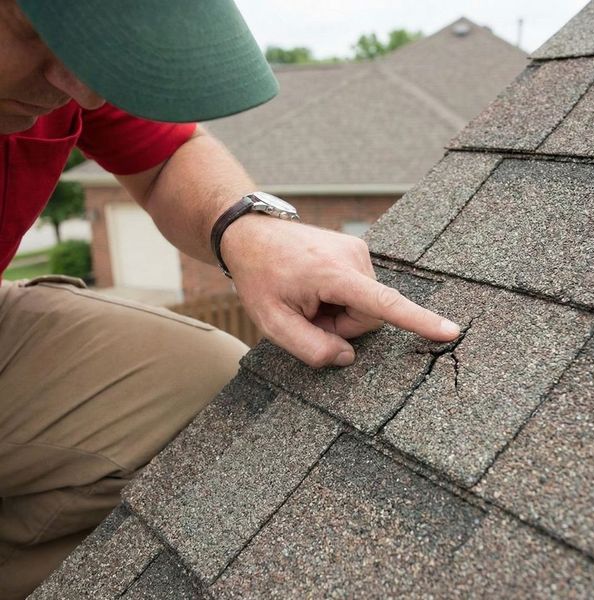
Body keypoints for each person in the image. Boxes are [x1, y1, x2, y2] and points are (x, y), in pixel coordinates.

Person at [0, 1, 460, 597]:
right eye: (38, 33)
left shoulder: (69, 73)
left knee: (202, 378)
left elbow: (167, 157)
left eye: (91, 52)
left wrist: (250, 230)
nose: (83, 92)